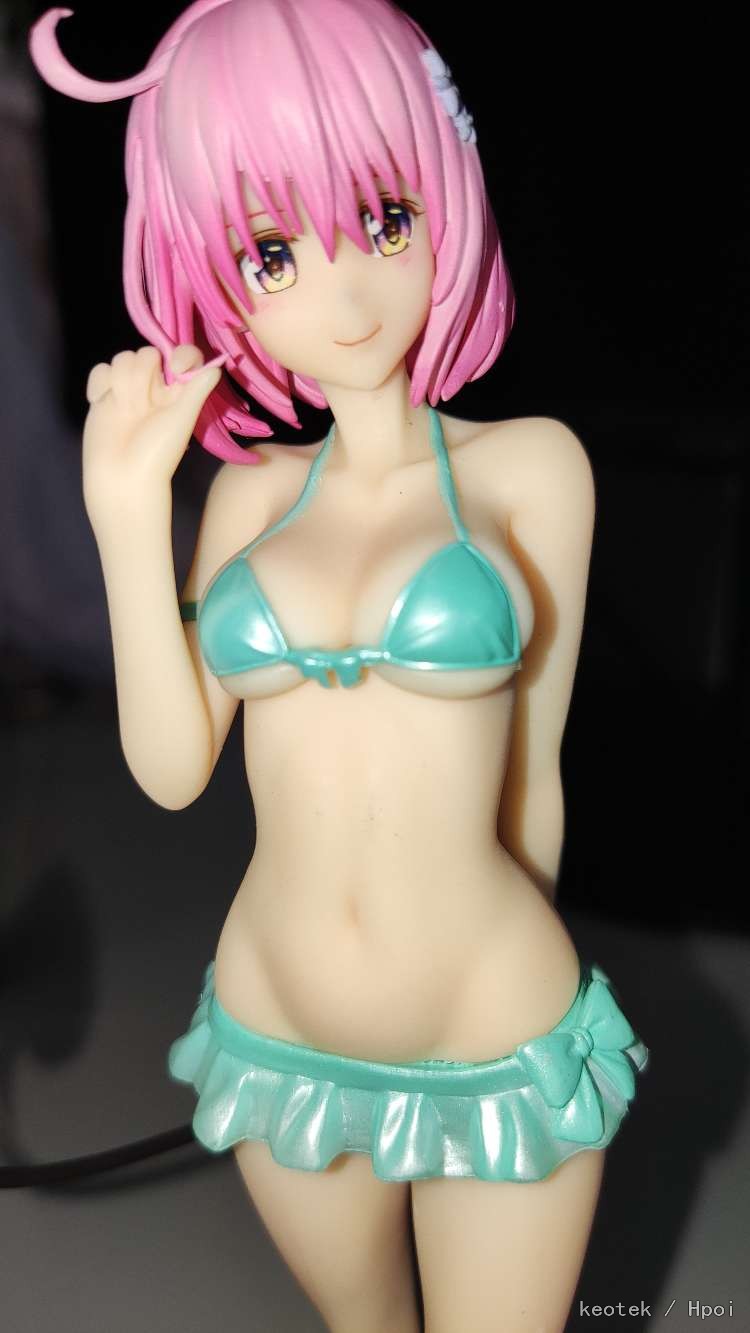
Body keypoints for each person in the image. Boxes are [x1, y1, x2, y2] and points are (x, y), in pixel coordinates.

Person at [30, 3, 649, 1330]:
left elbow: (534, 775)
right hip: (279, 1023)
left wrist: (516, 980)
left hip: (490, 1015)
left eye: (382, 218)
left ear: (444, 187)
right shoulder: (249, 498)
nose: (345, 294)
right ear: (211, 263)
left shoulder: (534, 467)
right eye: (271, 252)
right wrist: (125, 519)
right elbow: (173, 768)